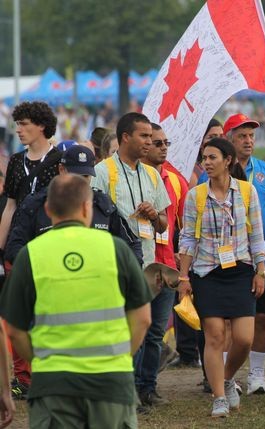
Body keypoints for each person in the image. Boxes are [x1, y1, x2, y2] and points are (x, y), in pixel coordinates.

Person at [0, 174, 153, 428]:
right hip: (111, 382)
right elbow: (143, 318)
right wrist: (121, 357)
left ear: (48, 209)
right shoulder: (116, 249)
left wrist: (40, 362)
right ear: (87, 207)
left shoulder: (31, 255)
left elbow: (14, 330)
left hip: (53, 384)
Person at [177, 138, 265, 418]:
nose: (207, 162)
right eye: (204, 157)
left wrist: (260, 270)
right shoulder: (195, 196)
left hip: (240, 270)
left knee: (244, 339)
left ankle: (226, 379)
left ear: (228, 160)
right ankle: (218, 397)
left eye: (213, 157)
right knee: (214, 336)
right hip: (207, 273)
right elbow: (188, 237)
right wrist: (183, 277)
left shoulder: (247, 191)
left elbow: (256, 234)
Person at [217, 113, 265, 395]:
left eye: (251, 136)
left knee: (262, 318)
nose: (249, 141)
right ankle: (225, 378)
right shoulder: (215, 170)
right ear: (229, 139)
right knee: (229, 323)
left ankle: (257, 375)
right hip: (234, 257)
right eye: (242, 136)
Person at [5, 145, 143, 265]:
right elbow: (14, 248)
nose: (80, 182)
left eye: (85, 177)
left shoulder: (103, 204)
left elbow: (133, 244)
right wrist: (42, 266)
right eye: (75, 175)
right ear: (61, 170)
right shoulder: (36, 203)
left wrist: (122, 273)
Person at [135, 123, 188, 407]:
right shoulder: (133, 178)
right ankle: (131, 388)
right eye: (157, 142)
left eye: (166, 142)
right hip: (141, 264)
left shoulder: (176, 181)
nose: (163, 147)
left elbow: (182, 225)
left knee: (156, 332)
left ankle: (148, 387)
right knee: (137, 331)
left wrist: (181, 259)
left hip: (166, 265)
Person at [91, 112, 170, 268]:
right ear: (126, 137)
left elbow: (163, 225)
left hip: (147, 267)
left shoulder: (152, 174)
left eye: (150, 136)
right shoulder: (101, 172)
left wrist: (154, 216)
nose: (149, 142)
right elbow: (91, 223)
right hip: (115, 266)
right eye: (144, 136)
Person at [0, 101, 60, 254]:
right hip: (18, 241)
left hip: (50, 240)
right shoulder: (16, 160)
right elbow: (10, 206)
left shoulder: (61, 159)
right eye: (18, 124)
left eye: (24, 124)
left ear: (41, 125)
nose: (18, 130)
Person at [189, 119, 223, 188]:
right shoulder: (194, 175)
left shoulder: (227, 169)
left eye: (221, 137)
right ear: (200, 142)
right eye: (212, 137)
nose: (218, 141)